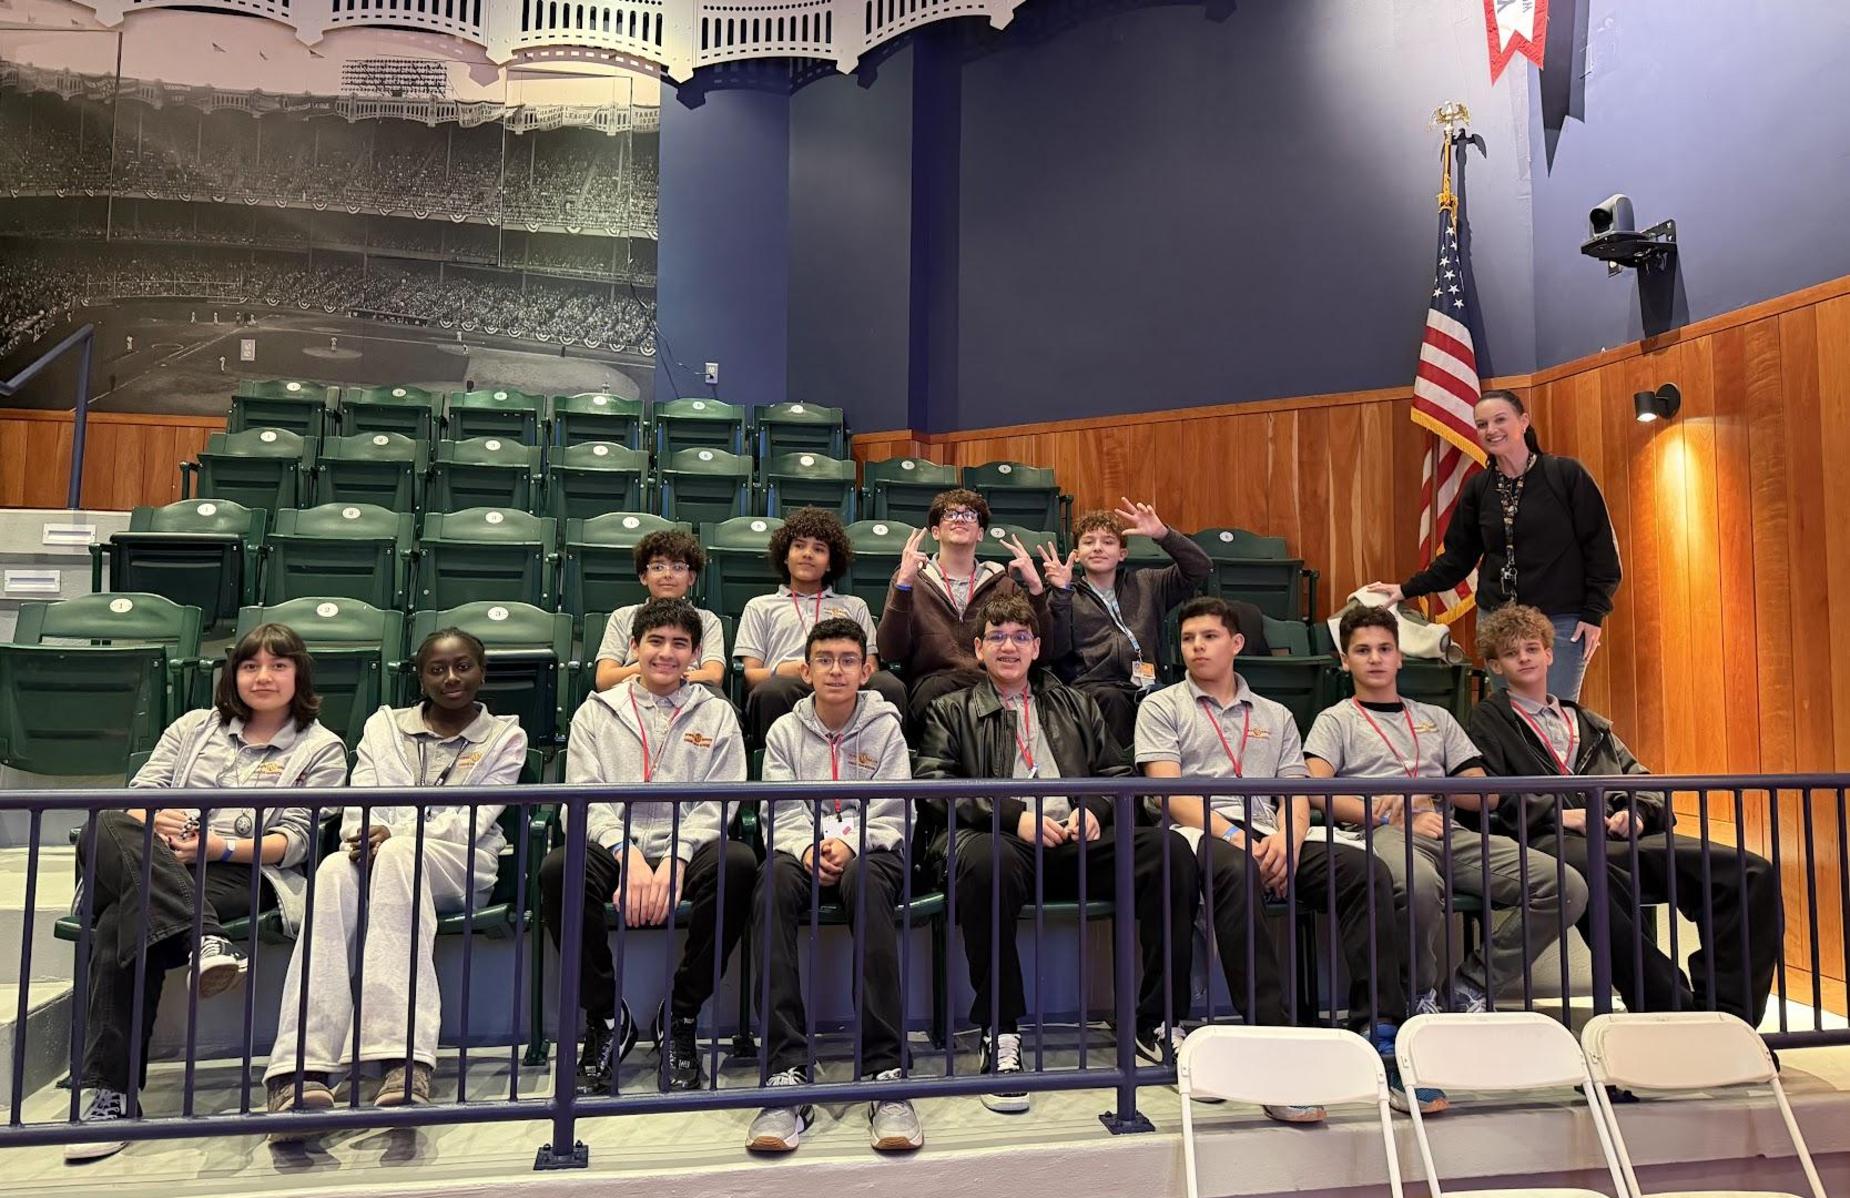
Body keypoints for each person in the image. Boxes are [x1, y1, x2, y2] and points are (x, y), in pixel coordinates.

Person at [1135, 596, 1435, 1120]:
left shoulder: (1275, 715)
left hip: (1272, 835)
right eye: (1188, 639)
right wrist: (1237, 837)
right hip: (1199, 832)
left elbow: (1296, 791)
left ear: (1236, 643)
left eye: (1209, 636)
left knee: (1365, 871)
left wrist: (1288, 841)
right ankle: (1270, 1042)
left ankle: (1380, 1030)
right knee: (1237, 871)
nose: (1197, 647)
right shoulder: (1162, 706)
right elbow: (1170, 793)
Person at [65, 624, 347, 1163]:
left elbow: (294, 842)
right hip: (156, 858)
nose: (263, 677)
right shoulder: (193, 726)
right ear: (232, 675)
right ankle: (205, 937)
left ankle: (112, 1097)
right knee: (107, 821)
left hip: (240, 873)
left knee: (120, 923)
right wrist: (153, 817)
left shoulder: (321, 747)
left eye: (278, 666)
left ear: (299, 675)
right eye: (250, 666)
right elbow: (141, 794)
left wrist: (218, 845)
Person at [916, 594, 1197, 1113]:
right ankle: (1000, 1031)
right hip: (1004, 843)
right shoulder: (950, 709)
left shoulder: (1077, 704)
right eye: (997, 636)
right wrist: (1013, 817)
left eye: (1020, 636)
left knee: (1170, 850)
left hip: (1075, 842)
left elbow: (1116, 774)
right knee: (986, 863)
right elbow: (935, 786)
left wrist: (1095, 808)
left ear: (1037, 647)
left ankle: (1159, 1020)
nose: (1008, 646)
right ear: (978, 648)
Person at [1467, 604, 1781, 1026]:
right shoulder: (1487, 721)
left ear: (1550, 654)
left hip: (1622, 836)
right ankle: (1670, 1012)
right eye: (1510, 653)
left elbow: (1642, 780)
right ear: (1495, 666)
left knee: (1749, 872)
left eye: (1532, 648)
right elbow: (1484, 797)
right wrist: (1561, 816)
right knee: (1593, 871)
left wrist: (1636, 813)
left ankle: (1731, 1020)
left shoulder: (1589, 723)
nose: (1523, 658)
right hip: (1548, 839)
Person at [264, 628, 526, 1129]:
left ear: (482, 672)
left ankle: (401, 1059)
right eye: (437, 669)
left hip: (460, 864)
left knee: (401, 854)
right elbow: (358, 807)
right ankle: (300, 1068)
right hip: (378, 855)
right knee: (332, 869)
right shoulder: (383, 727)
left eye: (463, 666)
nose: (451, 678)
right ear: (420, 677)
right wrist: (367, 835)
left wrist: (394, 832)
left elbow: (468, 823)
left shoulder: (505, 737)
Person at [1304, 607, 1587, 1068]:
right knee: (1416, 885)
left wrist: (1429, 791)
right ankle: (1418, 994)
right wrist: (1386, 813)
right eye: (1363, 650)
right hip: (1378, 833)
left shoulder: (1435, 717)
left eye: (1385, 649)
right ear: (1345, 660)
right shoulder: (1336, 720)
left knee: (1564, 885)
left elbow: (1481, 794)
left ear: (1400, 658)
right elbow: (1316, 790)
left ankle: (1472, 984)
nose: (1375, 659)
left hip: (1446, 829)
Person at [540, 598, 755, 1095]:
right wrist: (627, 854)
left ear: (695, 654)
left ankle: (682, 1013)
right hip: (616, 842)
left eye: (680, 644)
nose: (666, 653)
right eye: (655, 642)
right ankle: (604, 1016)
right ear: (634, 647)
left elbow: (721, 801)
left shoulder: (717, 715)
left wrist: (677, 856)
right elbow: (584, 797)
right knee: (559, 869)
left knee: (739, 863)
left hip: (689, 842)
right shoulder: (595, 712)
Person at [745, 617, 922, 1153]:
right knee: (772, 881)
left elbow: (897, 807)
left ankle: (885, 1072)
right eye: (824, 660)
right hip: (803, 850)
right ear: (806, 670)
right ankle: (785, 1072)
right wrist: (807, 848)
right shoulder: (784, 731)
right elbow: (778, 809)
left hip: (873, 849)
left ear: (866, 670)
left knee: (866, 881)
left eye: (848, 660)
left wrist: (851, 844)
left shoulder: (886, 727)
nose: (836, 670)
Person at [1366, 389, 1621, 701]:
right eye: (1482, 424)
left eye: (1500, 420)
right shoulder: (1478, 488)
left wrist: (1594, 613)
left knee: (1556, 714)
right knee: (1509, 717)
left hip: (1561, 620)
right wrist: (1406, 588)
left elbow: (1601, 550)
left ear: (1523, 422)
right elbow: (1457, 559)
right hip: (1497, 621)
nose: (1491, 430)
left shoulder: (1566, 475)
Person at [877, 488, 1058, 728]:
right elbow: (890, 652)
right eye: (950, 514)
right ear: (935, 531)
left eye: (970, 515)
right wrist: (903, 587)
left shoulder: (1003, 584)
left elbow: (1041, 652)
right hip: (934, 687)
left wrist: (1035, 588)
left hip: (992, 682)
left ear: (980, 533)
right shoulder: (910, 579)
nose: (960, 519)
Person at [1038, 499, 1212, 746]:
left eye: (1108, 542)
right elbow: (1055, 650)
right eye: (1089, 542)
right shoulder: (1066, 594)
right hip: (1093, 688)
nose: (1098, 548)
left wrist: (1163, 535)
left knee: (1179, 700)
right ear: (1076, 554)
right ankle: (1120, 770)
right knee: (1113, 700)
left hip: (1146, 686)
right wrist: (1061, 595)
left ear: (1122, 554)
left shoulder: (1148, 583)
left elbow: (1200, 567)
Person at [736, 506, 907, 743]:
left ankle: (882, 756)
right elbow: (750, 675)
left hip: (844, 679)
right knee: (769, 692)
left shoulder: (854, 605)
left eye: (818, 549)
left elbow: (870, 665)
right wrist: (783, 670)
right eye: (799, 546)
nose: (807, 554)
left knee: (889, 685)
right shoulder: (760, 606)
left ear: (829, 563)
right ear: (785, 556)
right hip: (789, 683)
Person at [594, 529, 726, 695]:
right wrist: (651, 672)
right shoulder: (622, 617)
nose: (667, 574)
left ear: (691, 577)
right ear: (644, 576)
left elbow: (714, 676)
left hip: (690, 696)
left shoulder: (708, 621)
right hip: (631, 694)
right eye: (658, 567)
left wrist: (666, 677)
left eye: (678, 567)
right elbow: (603, 679)